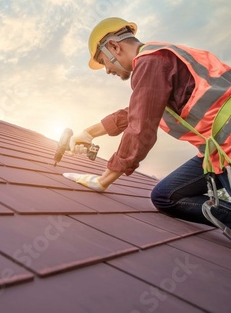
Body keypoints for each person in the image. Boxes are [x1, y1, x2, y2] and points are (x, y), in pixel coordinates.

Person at [62, 17, 231, 235]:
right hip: (217, 151)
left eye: (104, 62)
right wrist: (88, 133)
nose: (107, 71)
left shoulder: (151, 62)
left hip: (227, 145)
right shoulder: (156, 58)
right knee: (165, 195)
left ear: (114, 46)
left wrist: (104, 180)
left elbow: (140, 128)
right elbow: (136, 110)